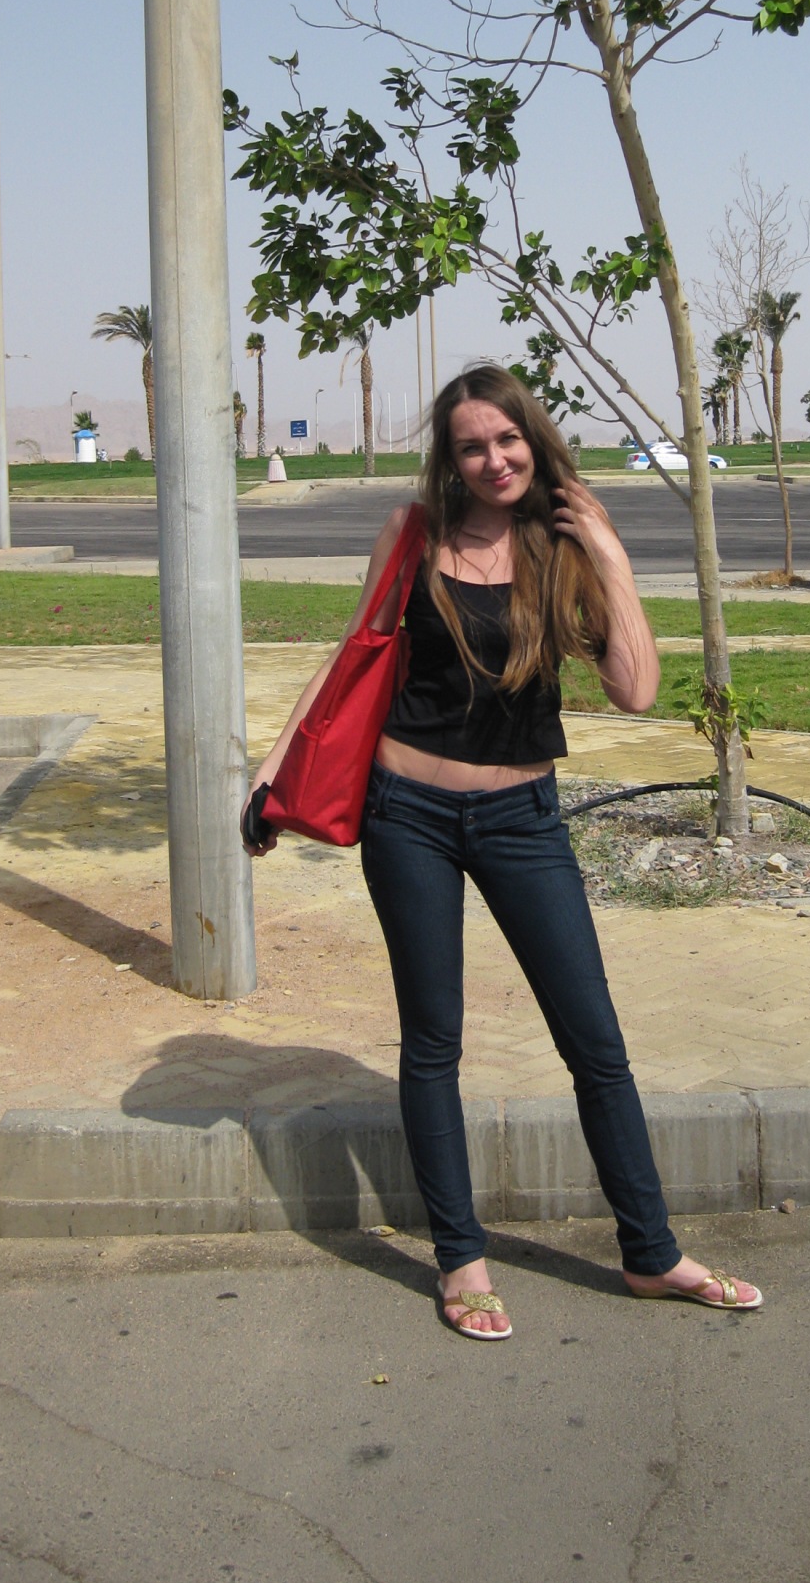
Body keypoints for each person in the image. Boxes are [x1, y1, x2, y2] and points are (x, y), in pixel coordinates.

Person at [244, 364, 762, 1341]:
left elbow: (637, 691)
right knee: (433, 1042)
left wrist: (608, 552)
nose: (494, 460)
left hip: (524, 820)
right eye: (472, 445)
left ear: (535, 439)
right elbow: (353, 656)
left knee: (595, 1043)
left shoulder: (562, 548)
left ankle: (651, 1252)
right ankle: (462, 1259)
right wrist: (274, 774)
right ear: (451, 457)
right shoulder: (412, 534)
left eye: (508, 439)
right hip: (407, 815)